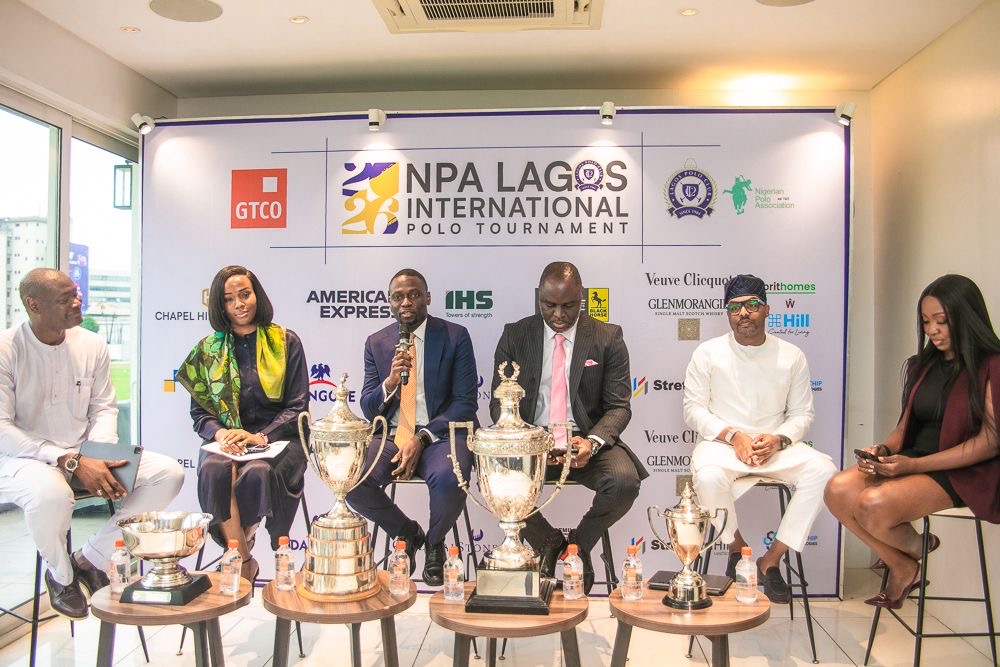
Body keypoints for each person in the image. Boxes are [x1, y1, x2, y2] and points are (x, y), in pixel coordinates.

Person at [0, 268, 184, 619]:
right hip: (22, 460)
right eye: (65, 298)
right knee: (51, 495)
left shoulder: (91, 344)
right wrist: (68, 459)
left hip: (85, 456)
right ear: (34, 305)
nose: (77, 302)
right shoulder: (6, 348)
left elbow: (103, 407)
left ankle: (89, 559)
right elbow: (2, 429)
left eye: (76, 294)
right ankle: (61, 576)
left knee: (168, 474)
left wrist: (97, 456)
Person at [825, 274, 1000, 609]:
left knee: (872, 504)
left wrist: (914, 465)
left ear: (966, 316)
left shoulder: (992, 366)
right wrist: (883, 451)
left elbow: (990, 442)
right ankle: (905, 563)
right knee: (838, 489)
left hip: (964, 471)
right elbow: (904, 427)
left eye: (941, 321)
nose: (932, 330)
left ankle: (914, 551)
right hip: (913, 459)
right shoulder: (923, 365)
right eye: (925, 321)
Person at [491, 261, 646, 594]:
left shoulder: (608, 337)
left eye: (569, 305)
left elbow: (619, 407)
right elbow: (499, 404)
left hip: (585, 440)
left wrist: (591, 442)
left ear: (582, 298)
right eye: (549, 305)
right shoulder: (516, 335)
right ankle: (548, 542)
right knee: (493, 478)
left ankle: (579, 545)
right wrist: (533, 441)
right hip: (532, 441)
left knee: (624, 482)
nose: (559, 315)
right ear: (538, 298)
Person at [683, 273, 836, 603]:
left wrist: (778, 440)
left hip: (774, 445)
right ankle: (737, 549)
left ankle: (771, 560)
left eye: (752, 305)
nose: (743, 313)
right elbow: (693, 410)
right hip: (723, 444)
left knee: (824, 471)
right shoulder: (707, 353)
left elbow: (803, 414)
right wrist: (734, 436)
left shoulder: (791, 355)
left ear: (766, 310)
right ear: (727, 314)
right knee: (707, 477)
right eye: (734, 307)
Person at [346, 268, 479, 586]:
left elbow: (465, 403)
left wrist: (421, 437)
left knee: (450, 478)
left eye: (414, 294)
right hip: (392, 435)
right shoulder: (377, 342)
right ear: (390, 302)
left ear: (428, 298)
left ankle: (435, 543)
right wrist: (390, 383)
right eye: (398, 297)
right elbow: (368, 407)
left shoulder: (455, 336)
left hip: (440, 434)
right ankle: (408, 532)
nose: (406, 302)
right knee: (352, 480)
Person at [177, 265, 309, 583]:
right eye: (228, 299)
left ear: (256, 296)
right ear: (219, 305)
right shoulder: (207, 351)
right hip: (228, 441)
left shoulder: (286, 342)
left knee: (258, 471)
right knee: (213, 468)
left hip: (279, 439)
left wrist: (260, 436)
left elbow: (298, 408)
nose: (239, 304)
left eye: (245, 294)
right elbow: (201, 415)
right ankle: (243, 558)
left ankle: (237, 552)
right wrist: (222, 434)